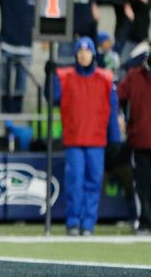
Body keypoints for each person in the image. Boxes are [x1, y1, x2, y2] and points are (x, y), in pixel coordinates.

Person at [46, 37, 121, 236]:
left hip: (96, 140)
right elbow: (52, 98)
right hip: (75, 139)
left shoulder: (105, 79)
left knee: (93, 182)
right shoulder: (65, 76)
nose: (84, 54)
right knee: (75, 182)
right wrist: (49, 76)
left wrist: (115, 138)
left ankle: (88, 223)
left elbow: (112, 110)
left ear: (93, 54)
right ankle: (73, 222)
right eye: (80, 51)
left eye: (87, 51)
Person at [0, 0, 36, 113]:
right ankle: (5, 114)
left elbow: (38, 19)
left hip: (25, 46)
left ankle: (17, 113)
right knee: (4, 82)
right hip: (7, 45)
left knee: (21, 83)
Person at [117, 52, 151, 235]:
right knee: (142, 185)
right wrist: (119, 116)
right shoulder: (134, 75)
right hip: (140, 140)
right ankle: (144, 222)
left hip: (141, 138)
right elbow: (116, 97)